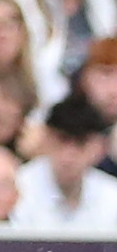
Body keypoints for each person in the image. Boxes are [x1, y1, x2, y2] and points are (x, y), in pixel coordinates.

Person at [13, 95, 117, 229]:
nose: (69, 155)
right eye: (62, 140)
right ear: (46, 138)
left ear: (98, 147)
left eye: (80, 143)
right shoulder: (19, 187)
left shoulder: (111, 195)